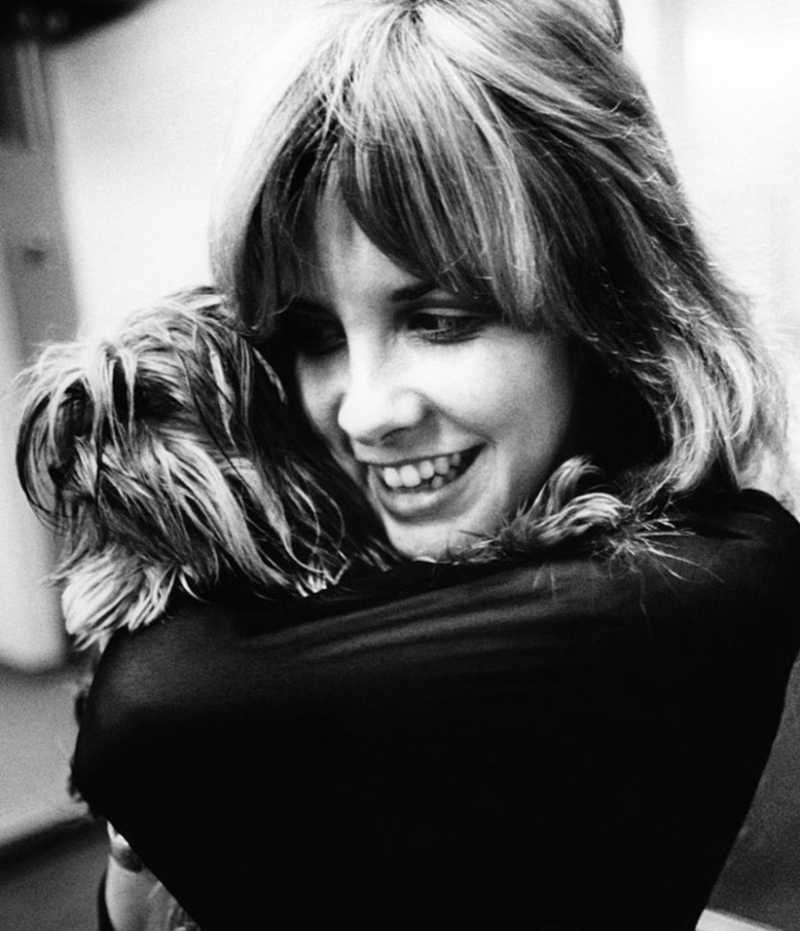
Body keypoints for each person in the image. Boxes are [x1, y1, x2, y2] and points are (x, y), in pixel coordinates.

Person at [15, 0, 800, 928]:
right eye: (315, 334)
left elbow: (149, 710)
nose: (365, 410)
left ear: (606, 310)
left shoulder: (713, 573)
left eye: (441, 318)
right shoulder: (285, 547)